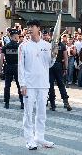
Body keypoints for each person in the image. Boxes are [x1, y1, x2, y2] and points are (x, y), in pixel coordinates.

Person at [18, 19, 55, 150]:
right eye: (28, 27)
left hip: (43, 84)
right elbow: (20, 67)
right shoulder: (23, 46)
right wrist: (22, 84)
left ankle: (39, 137)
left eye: (32, 26)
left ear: (38, 28)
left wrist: (54, 56)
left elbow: (49, 64)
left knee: (42, 113)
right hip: (29, 84)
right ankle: (29, 139)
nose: (29, 29)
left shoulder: (48, 45)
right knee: (28, 113)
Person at [0, 29, 23, 109]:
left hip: (8, 67)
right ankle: (22, 103)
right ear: (16, 37)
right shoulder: (19, 46)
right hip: (17, 67)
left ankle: (6, 103)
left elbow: (1, 59)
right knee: (19, 85)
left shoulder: (5, 47)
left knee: (7, 86)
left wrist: (0, 69)